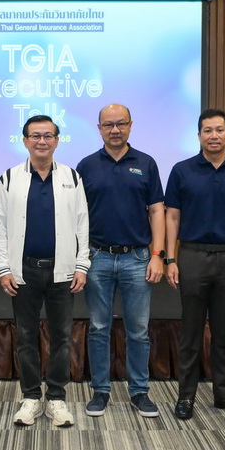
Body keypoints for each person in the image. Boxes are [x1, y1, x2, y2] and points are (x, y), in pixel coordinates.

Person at [0, 115, 90, 428]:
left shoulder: (72, 177)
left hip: (62, 272)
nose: (42, 141)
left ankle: (57, 398)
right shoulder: (9, 178)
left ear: (57, 141)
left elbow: (82, 224)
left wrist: (81, 265)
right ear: (25, 141)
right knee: (26, 336)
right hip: (24, 271)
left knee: (62, 336)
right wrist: (3, 268)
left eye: (48, 135)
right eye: (35, 136)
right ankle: (31, 397)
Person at [165, 108, 225, 420]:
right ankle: (186, 396)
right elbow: (172, 216)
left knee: (223, 333)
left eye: (219, 130)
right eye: (207, 130)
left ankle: (224, 395)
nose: (214, 136)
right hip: (192, 257)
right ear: (199, 135)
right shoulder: (182, 170)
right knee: (190, 332)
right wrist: (171, 259)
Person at [76, 103, 165, 418]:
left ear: (130, 125)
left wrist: (158, 255)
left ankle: (139, 392)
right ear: (99, 128)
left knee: (138, 330)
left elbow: (157, 211)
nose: (115, 130)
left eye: (121, 123)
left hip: (138, 258)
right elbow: (77, 215)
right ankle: (100, 391)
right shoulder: (86, 165)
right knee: (98, 327)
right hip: (97, 257)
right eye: (108, 124)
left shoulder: (146, 163)